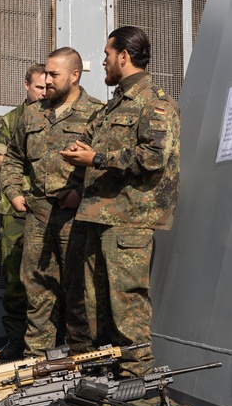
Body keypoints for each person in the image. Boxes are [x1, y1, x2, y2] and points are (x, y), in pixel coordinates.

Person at [61, 26, 180, 377]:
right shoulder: (116, 103)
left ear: (123, 56)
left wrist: (97, 158)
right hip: (100, 214)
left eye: (107, 55)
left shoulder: (155, 101)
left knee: (126, 301)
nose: (103, 62)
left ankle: (137, 378)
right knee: (95, 302)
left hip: (129, 218)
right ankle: (103, 375)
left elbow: (154, 157)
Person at [3, 48, 103, 358]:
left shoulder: (97, 113)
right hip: (37, 215)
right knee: (37, 289)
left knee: (79, 291)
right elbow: (13, 157)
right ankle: (37, 358)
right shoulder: (33, 113)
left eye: (54, 74)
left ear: (75, 76)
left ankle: (80, 358)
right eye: (45, 73)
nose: (47, 80)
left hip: (76, 218)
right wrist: (14, 191)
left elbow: (105, 166)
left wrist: (81, 193)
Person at [0, 63, 46, 360]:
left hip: (48, 208)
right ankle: (15, 339)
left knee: (47, 279)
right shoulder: (13, 119)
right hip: (16, 209)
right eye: (38, 87)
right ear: (26, 86)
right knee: (15, 280)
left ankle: (47, 340)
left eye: (47, 87)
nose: (43, 92)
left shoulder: (56, 117)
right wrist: (24, 154)